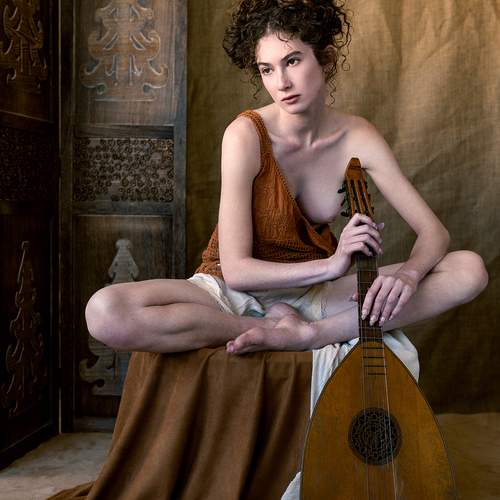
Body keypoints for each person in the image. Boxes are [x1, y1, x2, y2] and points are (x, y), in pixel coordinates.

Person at [85, 0, 487, 359]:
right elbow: (238, 271)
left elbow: (434, 232)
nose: (281, 83)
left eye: (293, 61)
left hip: (313, 298)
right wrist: (332, 264)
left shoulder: (358, 136)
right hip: (229, 294)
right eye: (267, 69)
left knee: (468, 269)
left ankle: (312, 335)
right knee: (105, 311)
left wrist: (408, 275)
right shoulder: (245, 134)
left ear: (325, 59)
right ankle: (262, 329)